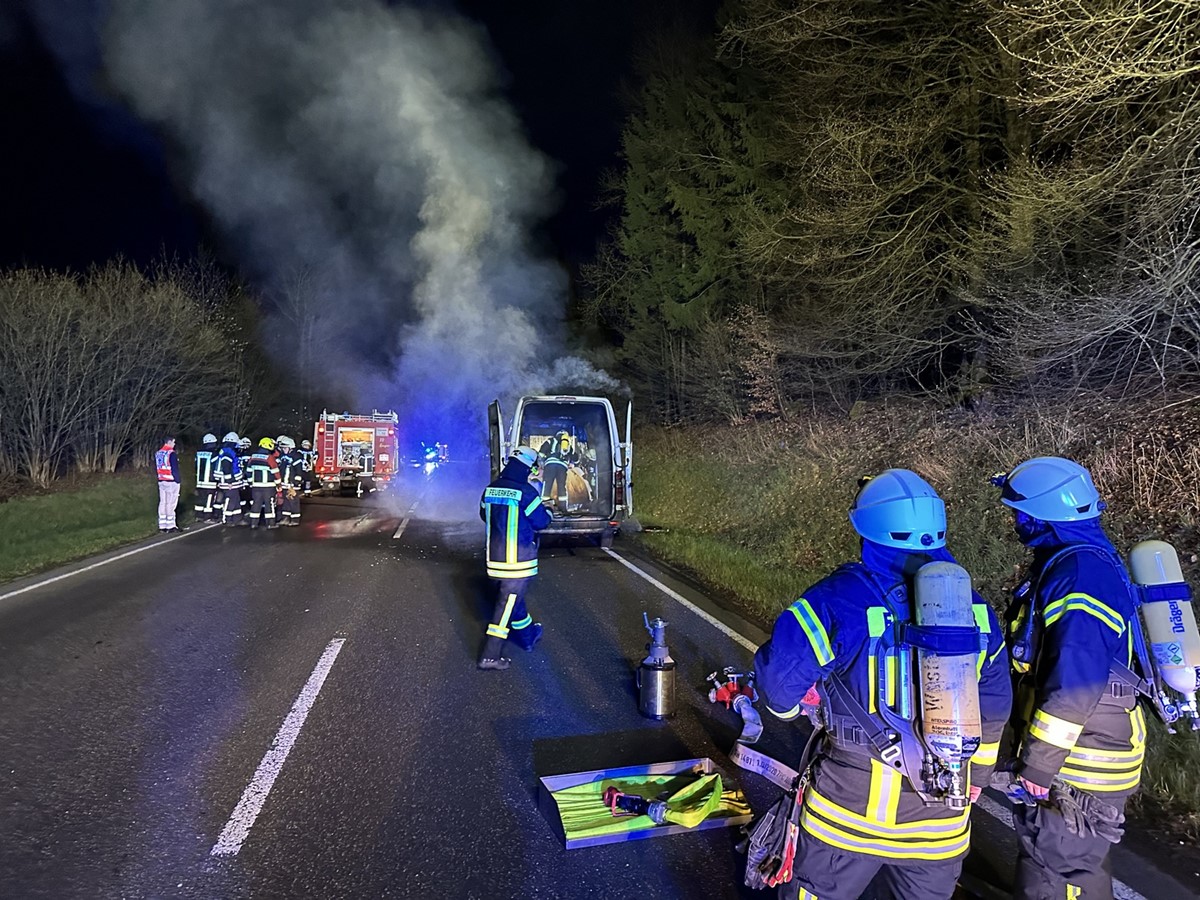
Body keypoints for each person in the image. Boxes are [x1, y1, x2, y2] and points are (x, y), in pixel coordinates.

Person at [754, 469, 1012, 900]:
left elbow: (779, 690)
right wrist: (978, 774)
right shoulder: (976, 611)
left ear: (864, 528)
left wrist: (797, 707)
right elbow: (995, 706)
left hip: (847, 817)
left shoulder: (835, 599)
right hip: (941, 822)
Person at [993, 457, 1144, 900]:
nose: (1015, 522)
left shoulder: (1077, 574)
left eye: (1019, 513)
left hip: (1080, 758)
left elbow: (1074, 678)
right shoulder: (1084, 559)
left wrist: (1041, 761)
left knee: (1059, 868)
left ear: (1040, 515)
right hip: (1093, 745)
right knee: (1063, 857)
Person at [478, 446, 553, 670]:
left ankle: (529, 636)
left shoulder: (490, 489)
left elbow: (484, 515)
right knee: (504, 609)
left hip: (494, 562)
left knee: (513, 602)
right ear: (528, 467)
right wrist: (547, 511)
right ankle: (489, 656)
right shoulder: (527, 492)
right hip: (517, 565)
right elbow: (542, 522)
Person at [245, 437, 280, 529]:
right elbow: (276, 472)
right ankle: (271, 523)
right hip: (268, 486)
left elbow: (248, 471)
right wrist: (278, 484)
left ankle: (253, 523)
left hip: (256, 486)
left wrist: (250, 483)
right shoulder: (270, 458)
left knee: (256, 504)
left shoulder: (253, 457)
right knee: (270, 504)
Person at [538, 430, 577, 512]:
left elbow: (541, 452)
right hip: (562, 467)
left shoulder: (551, 440)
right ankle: (563, 508)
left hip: (550, 464)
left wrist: (541, 463)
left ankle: (544, 506)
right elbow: (575, 459)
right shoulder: (568, 446)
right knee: (561, 486)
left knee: (547, 485)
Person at [213, 432, 244, 526]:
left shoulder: (227, 451)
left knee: (236, 499)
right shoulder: (227, 452)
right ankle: (227, 519)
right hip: (228, 481)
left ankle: (237, 518)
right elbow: (226, 467)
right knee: (230, 499)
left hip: (231, 481)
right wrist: (229, 481)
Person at [155, 436, 184, 533]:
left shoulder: (158, 453)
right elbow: (174, 468)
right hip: (171, 481)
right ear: (169, 442)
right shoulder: (171, 454)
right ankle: (171, 525)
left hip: (161, 480)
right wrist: (178, 480)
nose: (174, 444)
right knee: (171, 504)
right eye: (173, 442)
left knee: (163, 503)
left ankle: (162, 525)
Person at [276, 436, 303, 526]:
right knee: (286, 502)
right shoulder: (282, 456)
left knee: (293, 502)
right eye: (282, 448)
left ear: (291, 447)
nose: (283, 449)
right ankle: (285, 518)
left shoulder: (296, 457)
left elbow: (299, 471)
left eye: (285, 448)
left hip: (292, 484)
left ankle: (295, 520)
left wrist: (296, 483)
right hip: (284, 483)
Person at [194, 433, 219, 522]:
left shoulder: (198, 453)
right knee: (209, 499)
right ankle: (207, 517)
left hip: (199, 481)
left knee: (200, 499)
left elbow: (196, 466)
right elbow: (215, 467)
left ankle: (198, 515)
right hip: (209, 481)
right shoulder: (214, 454)